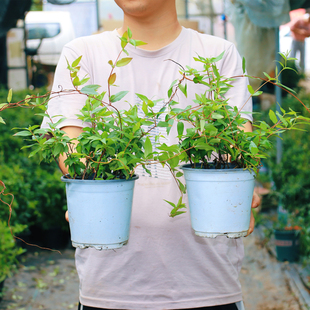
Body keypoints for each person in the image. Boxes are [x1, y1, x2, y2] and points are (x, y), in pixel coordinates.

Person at [41, 0, 260, 309]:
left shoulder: (219, 54)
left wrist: (240, 191)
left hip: (208, 283)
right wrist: (87, 190)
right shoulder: (82, 54)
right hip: (110, 286)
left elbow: (239, 147)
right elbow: (69, 144)